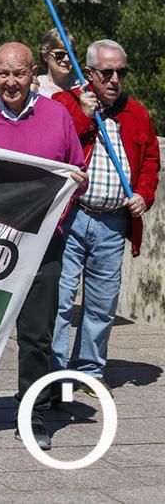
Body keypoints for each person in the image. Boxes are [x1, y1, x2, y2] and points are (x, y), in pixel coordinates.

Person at [0, 42, 87, 450]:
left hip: (44, 246)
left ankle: (34, 415)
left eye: (20, 74)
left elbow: (75, 172)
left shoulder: (57, 116)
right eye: (3, 74)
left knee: (37, 336)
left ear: (33, 75)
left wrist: (73, 185)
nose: (11, 83)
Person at [51, 39, 159, 394]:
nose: (115, 79)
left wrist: (143, 194)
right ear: (90, 73)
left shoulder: (137, 113)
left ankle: (89, 370)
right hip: (72, 216)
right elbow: (55, 143)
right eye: (107, 72)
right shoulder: (66, 103)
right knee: (62, 298)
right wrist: (82, 114)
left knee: (101, 302)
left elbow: (149, 163)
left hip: (112, 222)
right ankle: (54, 372)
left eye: (121, 72)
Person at [35, 28, 74, 97]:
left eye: (71, 54)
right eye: (60, 55)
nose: (67, 59)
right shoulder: (38, 89)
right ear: (45, 56)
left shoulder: (82, 85)